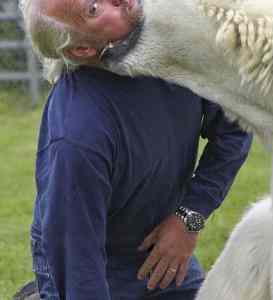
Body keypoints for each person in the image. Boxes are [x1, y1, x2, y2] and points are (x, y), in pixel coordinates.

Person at [19, 0, 253, 299]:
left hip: (159, 249)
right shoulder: (78, 134)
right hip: (90, 266)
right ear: (82, 50)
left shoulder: (177, 52)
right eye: (93, 8)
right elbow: (77, 259)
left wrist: (189, 217)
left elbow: (235, 127)